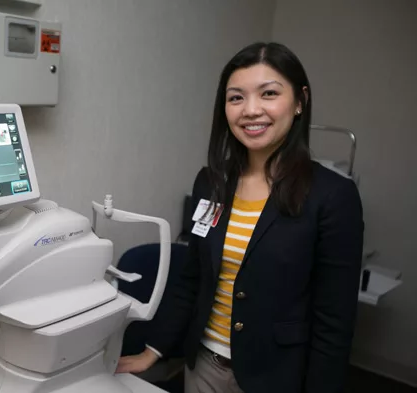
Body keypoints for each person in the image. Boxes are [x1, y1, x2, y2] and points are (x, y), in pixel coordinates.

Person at [116, 42, 364, 393]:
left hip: (277, 377)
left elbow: (334, 322)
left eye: (269, 93)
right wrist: (151, 351)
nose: (251, 110)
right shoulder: (212, 182)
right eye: (236, 98)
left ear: (299, 102)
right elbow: (193, 278)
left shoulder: (333, 196)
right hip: (203, 366)